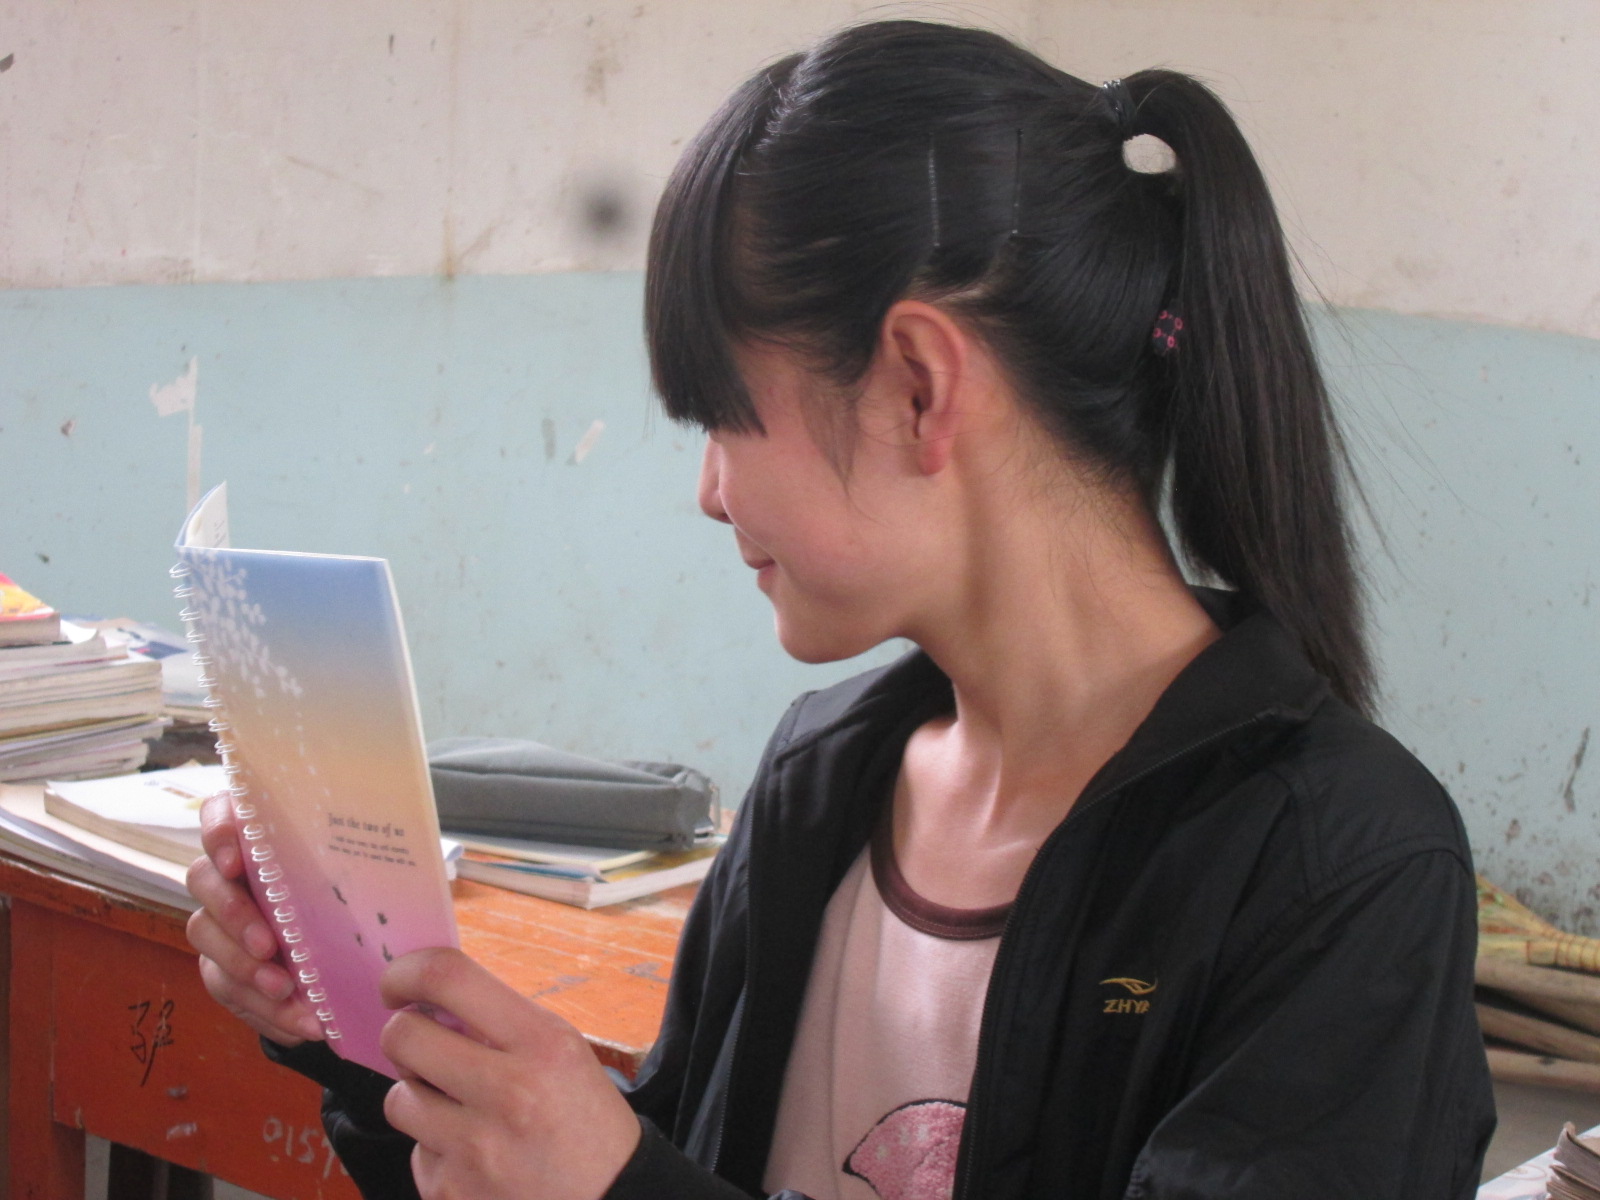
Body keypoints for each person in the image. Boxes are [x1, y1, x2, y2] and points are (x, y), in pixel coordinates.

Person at [185, 19, 1496, 1200]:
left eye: (723, 417)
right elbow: (670, 1160)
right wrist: (362, 1045)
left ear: (920, 387)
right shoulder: (824, 782)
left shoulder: (1339, 872)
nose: (708, 493)